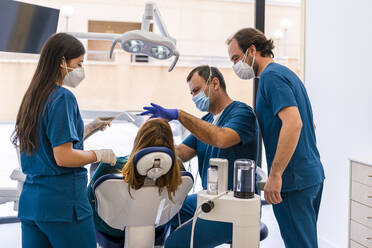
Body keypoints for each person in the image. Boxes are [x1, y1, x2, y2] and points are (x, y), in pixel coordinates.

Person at [11, 33, 117, 248]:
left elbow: (47, 144)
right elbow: (63, 156)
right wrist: (99, 155)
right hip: (63, 206)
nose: (81, 70)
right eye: (78, 63)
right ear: (62, 61)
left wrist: (89, 129)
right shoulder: (63, 97)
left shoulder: (33, 97)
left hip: (32, 205)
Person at [227, 27, 325, 248]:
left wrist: (276, 174)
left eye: (235, 58)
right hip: (310, 175)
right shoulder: (288, 74)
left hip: (293, 181)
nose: (234, 66)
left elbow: (294, 123)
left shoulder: (271, 78)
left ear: (251, 50)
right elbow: (310, 125)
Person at [141, 65, 259, 248]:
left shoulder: (242, 113)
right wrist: (152, 143)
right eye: (191, 93)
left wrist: (179, 115)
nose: (194, 97)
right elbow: (181, 152)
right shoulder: (206, 121)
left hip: (233, 206)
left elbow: (221, 138)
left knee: (175, 243)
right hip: (208, 199)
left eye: (196, 90)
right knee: (165, 211)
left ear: (215, 83)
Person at [87, 118, 182, 239]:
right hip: (157, 227)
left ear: (138, 141)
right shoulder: (179, 170)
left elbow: (88, 203)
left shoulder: (109, 167)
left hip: (111, 230)